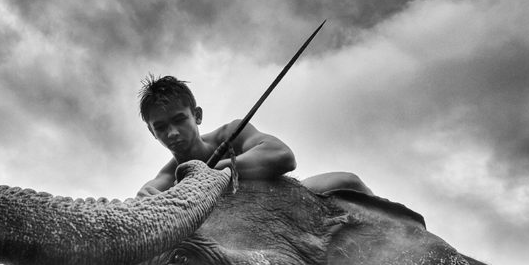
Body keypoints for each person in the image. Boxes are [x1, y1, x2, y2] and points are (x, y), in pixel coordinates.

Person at [136, 75, 372, 197]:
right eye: (161, 127)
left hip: (284, 200)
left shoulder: (230, 133)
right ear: (152, 132)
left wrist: (211, 171)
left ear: (196, 116)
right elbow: (148, 195)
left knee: (348, 181)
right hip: (233, 236)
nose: (173, 133)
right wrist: (144, 199)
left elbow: (282, 156)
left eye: (179, 120)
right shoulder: (166, 179)